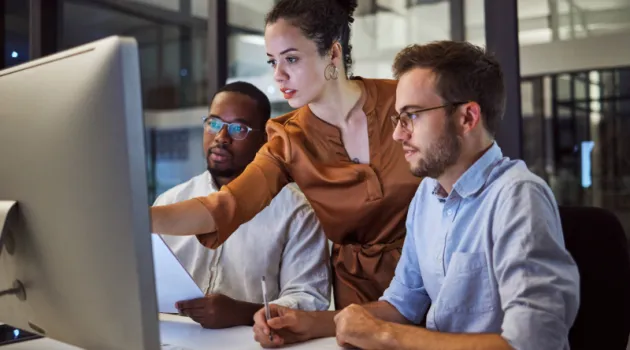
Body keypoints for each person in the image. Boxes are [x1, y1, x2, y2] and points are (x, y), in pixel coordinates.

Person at [252, 41, 581, 350]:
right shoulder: (427, 195)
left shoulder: (518, 197)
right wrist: (309, 323)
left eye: (411, 116)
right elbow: (401, 304)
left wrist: (384, 335)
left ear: (467, 117)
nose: (397, 134)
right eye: (398, 118)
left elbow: (534, 343)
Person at [150, 0, 422, 309]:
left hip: (432, 275)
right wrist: (137, 218)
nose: (278, 75)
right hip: (358, 295)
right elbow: (225, 206)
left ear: (333, 53)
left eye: (291, 59)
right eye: (272, 62)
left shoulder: (402, 101)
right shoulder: (288, 139)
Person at [154, 81, 331, 329]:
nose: (221, 137)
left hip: (252, 341)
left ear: (264, 139)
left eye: (238, 129)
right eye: (214, 123)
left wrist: (243, 313)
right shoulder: (171, 201)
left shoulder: (297, 212)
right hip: (172, 336)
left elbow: (310, 300)